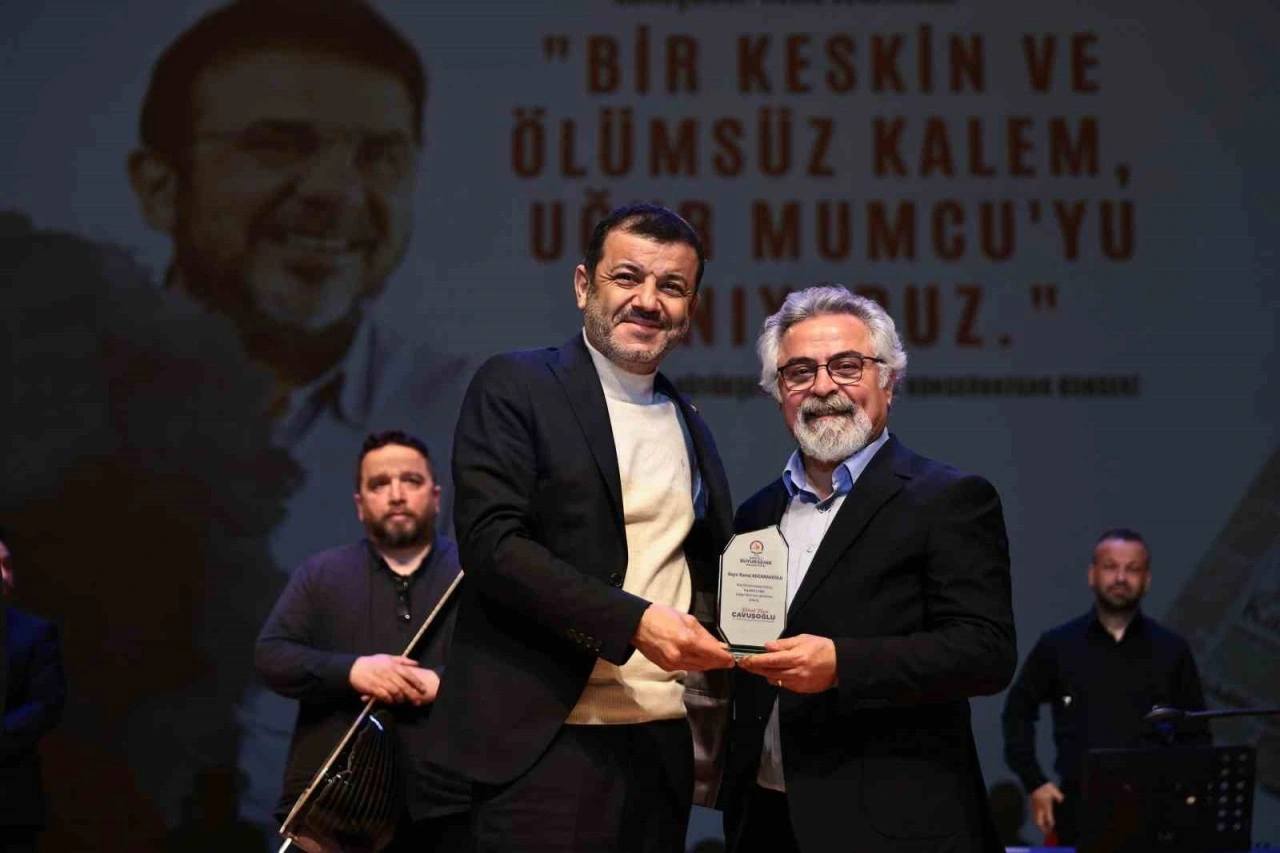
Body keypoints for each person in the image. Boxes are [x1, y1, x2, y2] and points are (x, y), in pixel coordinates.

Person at [124, 0, 468, 824]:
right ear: (160, 186)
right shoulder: (58, 410)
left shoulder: (472, 418)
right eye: (277, 144)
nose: (335, 191)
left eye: (378, 155)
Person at [425, 204, 736, 852]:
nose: (648, 300)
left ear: (691, 308)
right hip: (545, 743)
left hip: (660, 742)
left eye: (671, 286)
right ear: (582, 285)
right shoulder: (517, 384)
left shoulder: (690, 421)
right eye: (627, 277)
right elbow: (492, 545)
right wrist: (634, 622)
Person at [722, 285, 1016, 853]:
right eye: (799, 372)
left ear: (889, 381)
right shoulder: (755, 514)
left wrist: (842, 664)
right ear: (778, 392)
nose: (822, 387)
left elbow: (986, 653)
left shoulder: (949, 499)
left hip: (894, 827)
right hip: (766, 819)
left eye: (847, 366)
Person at [255, 432, 467, 851]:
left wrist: (445, 684)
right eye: (379, 484)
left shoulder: (474, 572)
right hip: (337, 814)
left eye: (411, 480)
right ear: (359, 504)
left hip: (452, 805)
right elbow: (272, 656)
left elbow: (516, 673)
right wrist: (354, 671)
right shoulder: (321, 574)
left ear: (436, 496)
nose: (397, 494)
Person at [1001, 528, 1209, 845]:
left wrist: (1186, 797)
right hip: (1078, 808)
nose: (1121, 578)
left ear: (1147, 579)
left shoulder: (1172, 650)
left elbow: (1197, 733)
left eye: (1132, 569)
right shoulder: (1059, 645)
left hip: (1155, 814)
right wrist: (1035, 781)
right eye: (1110, 567)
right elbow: (1017, 712)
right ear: (1092, 575)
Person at [0, 526, 66, 853]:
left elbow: (45, 705)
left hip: (9, 803)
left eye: (7, 565)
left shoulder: (35, 633)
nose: (4, 576)